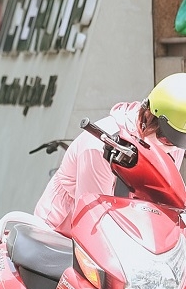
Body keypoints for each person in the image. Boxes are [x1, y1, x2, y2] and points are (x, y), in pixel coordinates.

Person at [34, 74, 186, 235]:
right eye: (166, 139)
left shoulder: (174, 145)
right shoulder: (99, 147)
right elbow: (93, 219)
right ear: (148, 115)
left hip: (127, 225)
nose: (170, 148)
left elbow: (165, 202)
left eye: (180, 142)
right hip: (61, 230)